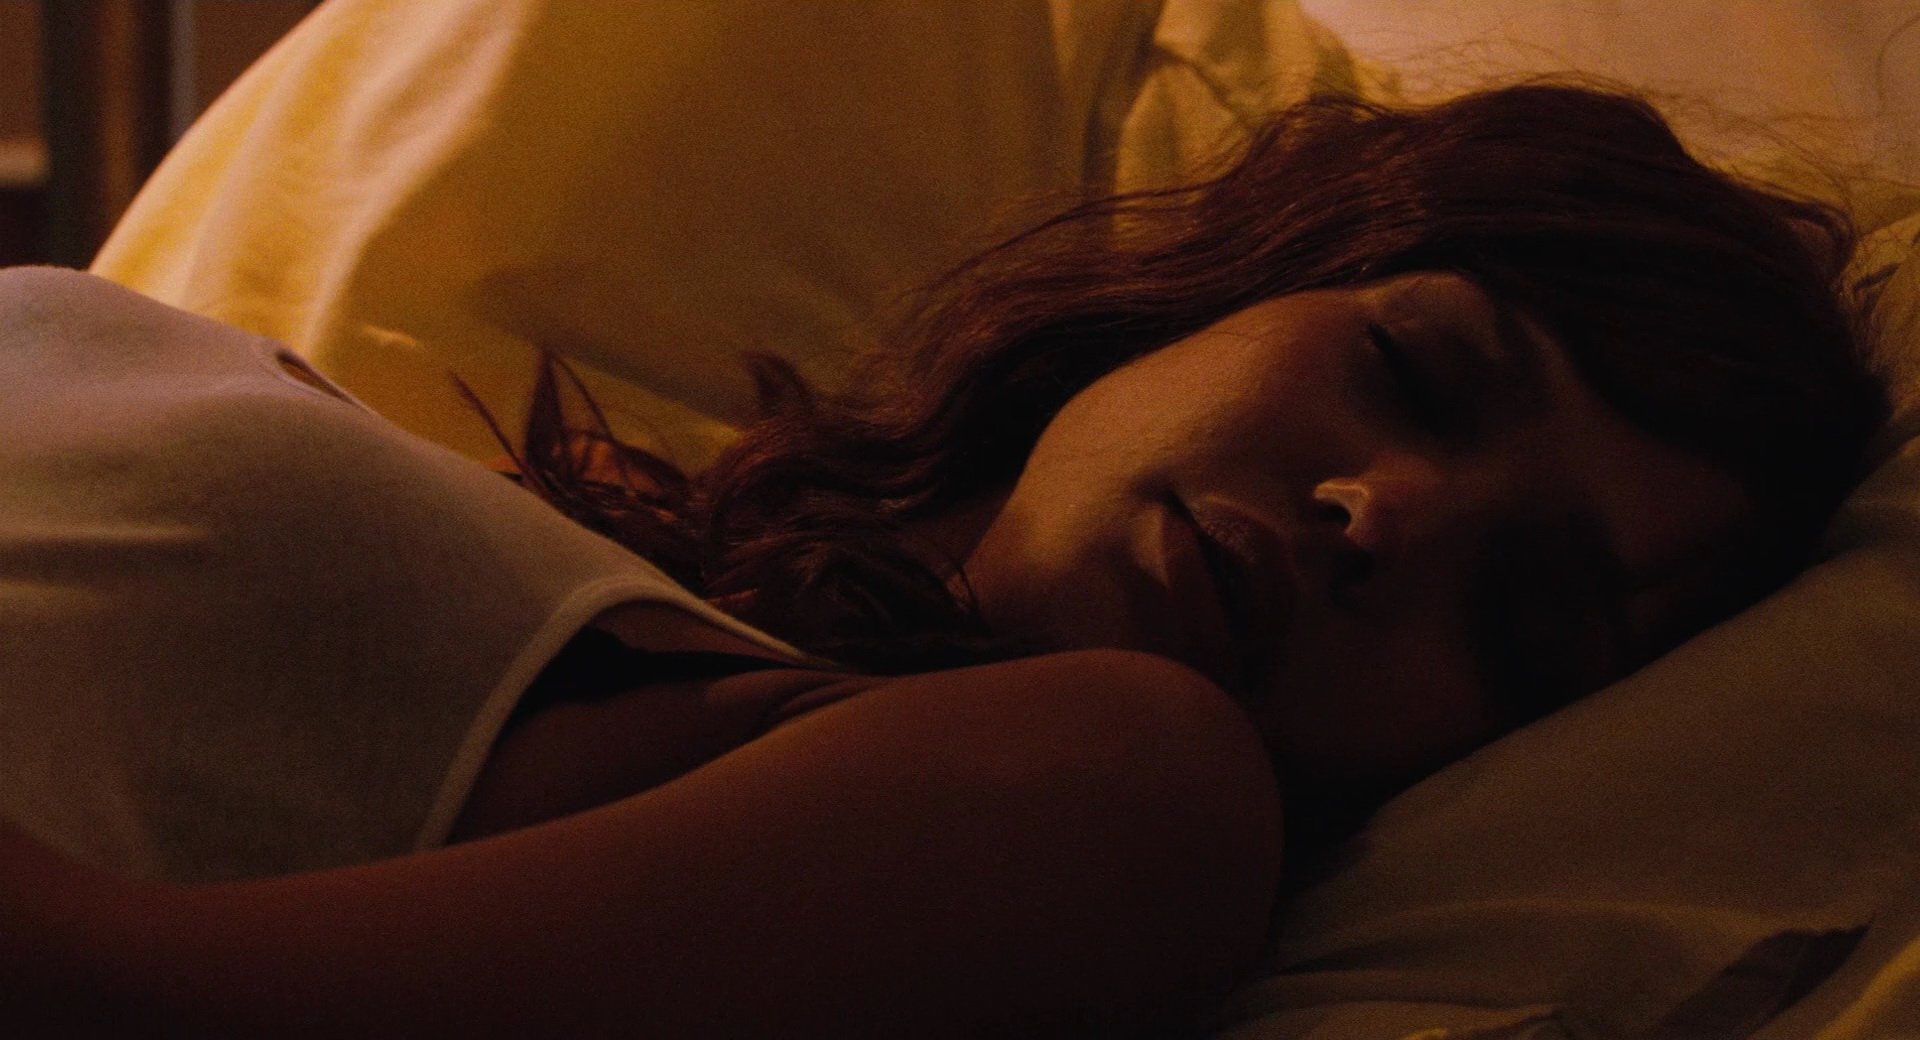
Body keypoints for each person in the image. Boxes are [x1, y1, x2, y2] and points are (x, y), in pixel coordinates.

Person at [0, 82, 1889, 1036]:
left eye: (1525, 614)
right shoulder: (580, 561)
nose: (1384, 516)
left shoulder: (1134, 798)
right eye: (1416, 371)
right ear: (1242, 291)